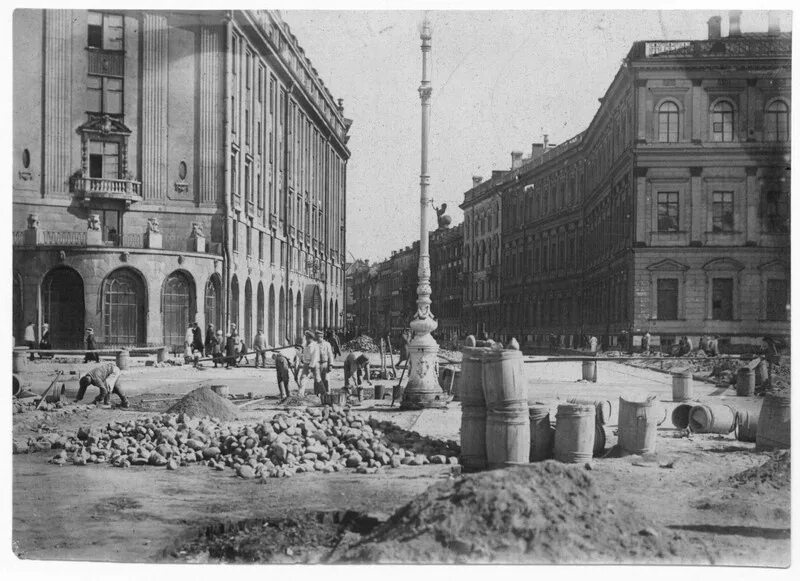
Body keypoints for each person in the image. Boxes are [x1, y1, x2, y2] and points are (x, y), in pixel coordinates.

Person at [298, 331, 320, 397]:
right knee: (303, 378)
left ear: (311, 338)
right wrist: (299, 355)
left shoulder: (314, 345)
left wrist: (311, 366)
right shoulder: (305, 345)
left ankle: (323, 393)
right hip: (306, 364)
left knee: (318, 379)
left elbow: (315, 357)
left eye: (307, 337)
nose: (306, 339)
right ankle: (300, 394)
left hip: (314, 364)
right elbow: (304, 355)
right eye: (306, 337)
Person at [316, 330, 333, 396]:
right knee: (317, 380)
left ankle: (328, 394)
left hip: (325, 363)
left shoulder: (327, 344)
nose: (317, 339)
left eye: (318, 337)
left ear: (321, 337)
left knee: (326, 379)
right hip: (317, 364)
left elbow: (330, 355)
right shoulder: (315, 344)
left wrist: (330, 364)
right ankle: (317, 394)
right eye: (316, 337)